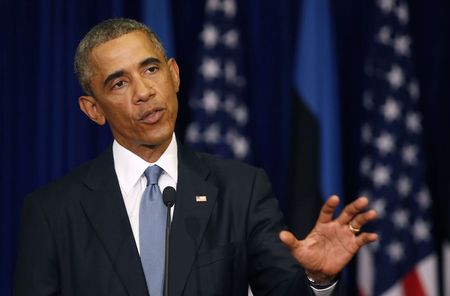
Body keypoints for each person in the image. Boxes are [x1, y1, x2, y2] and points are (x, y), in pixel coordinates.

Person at [14, 18, 377, 296]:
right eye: (119, 83)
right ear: (93, 109)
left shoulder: (241, 190)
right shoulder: (52, 212)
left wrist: (319, 279)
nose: (144, 92)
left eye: (151, 69)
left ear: (173, 75)